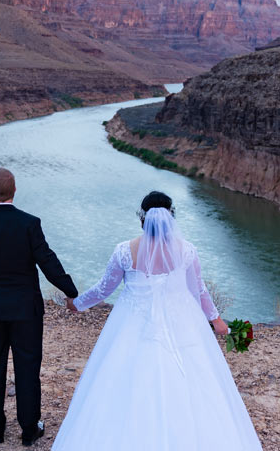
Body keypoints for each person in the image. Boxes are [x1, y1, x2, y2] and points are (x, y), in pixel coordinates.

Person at [52, 191, 263, 450]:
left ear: (142, 218)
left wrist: (77, 303)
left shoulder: (124, 251)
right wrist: (216, 321)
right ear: (171, 218)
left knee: (121, 379)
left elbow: (103, 290)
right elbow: (199, 290)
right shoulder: (186, 251)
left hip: (132, 325)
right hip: (181, 323)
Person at [0, 167, 79, 446]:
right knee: (27, 369)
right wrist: (72, 292)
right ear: (14, 192)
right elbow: (47, 261)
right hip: (25, 311)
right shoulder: (29, 223)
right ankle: (29, 430)